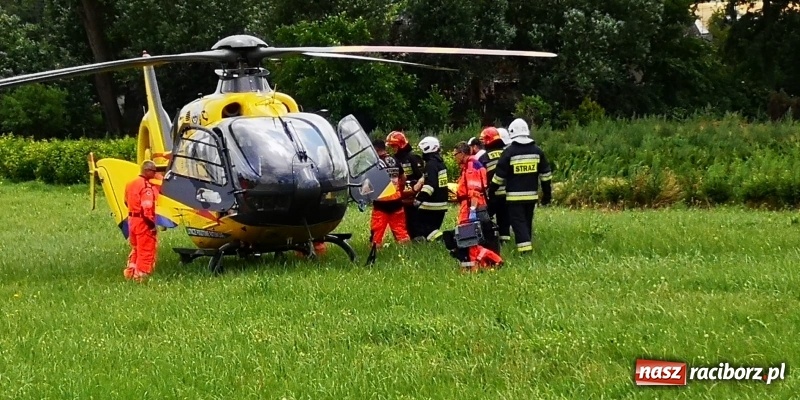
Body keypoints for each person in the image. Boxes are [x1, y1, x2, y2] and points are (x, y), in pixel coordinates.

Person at [488, 118, 552, 254]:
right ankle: (527, 244)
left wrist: (491, 190)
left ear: (512, 133)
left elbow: (499, 176)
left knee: (518, 223)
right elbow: (546, 175)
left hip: (514, 198)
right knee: (527, 222)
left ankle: (525, 251)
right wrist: (547, 195)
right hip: (531, 196)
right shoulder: (537, 151)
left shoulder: (509, 152)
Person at [447, 142, 503, 272]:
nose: (454, 157)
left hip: (472, 206)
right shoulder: (470, 165)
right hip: (472, 205)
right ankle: (476, 266)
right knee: (470, 240)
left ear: (462, 154)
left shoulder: (471, 167)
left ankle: (494, 260)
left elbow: (474, 190)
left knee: (469, 239)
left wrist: (472, 210)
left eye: (455, 154)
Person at [369, 139, 411, 247]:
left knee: (377, 232)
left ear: (376, 150)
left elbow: (370, 182)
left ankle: (375, 251)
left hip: (381, 202)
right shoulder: (394, 160)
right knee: (400, 230)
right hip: (396, 201)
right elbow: (404, 178)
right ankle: (407, 252)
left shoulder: (376, 163)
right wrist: (399, 191)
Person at [385, 131, 426, 240]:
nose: (392, 148)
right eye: (391, 146)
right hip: (399, 195)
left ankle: (417, 238)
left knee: (413, 219)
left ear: (401, 145)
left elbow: (421, 177)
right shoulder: (394, 160)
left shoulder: (412, 158)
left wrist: (415, 190)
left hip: (411, 196)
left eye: (394, 146)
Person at [124, 160, 160, 282]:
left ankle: (130, 273)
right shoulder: (146, 187)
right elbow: (147, 208)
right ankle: (141, 277)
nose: (155, 174)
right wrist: (151, 226)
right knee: (146, 250)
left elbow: (125, 202)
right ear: (147, 171)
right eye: (153, 171)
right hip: (143, 222)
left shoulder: (130, 184)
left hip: (132, 221)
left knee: (136, 249)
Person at [413, 136, 449, 242]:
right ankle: (441, 240)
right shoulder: (440, 164)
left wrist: (419, 199)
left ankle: (445, 240)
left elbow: (430, 185)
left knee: (422, 227)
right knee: (432, 230)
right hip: (441, 204)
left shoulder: (431, 165)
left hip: (431, 205)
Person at [479, 127, 512, 243]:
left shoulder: (484, 157)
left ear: (487, 140)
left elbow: (481, 178)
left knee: (484, 217)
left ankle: (487, 239)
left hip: (493, 194)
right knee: (504, 220)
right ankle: (505, 241)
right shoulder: (507, 153)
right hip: (508, 194)